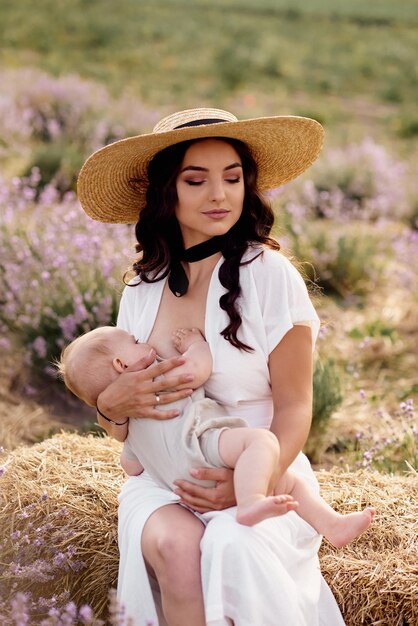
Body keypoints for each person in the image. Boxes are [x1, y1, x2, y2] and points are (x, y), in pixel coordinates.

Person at [77, 107, 352, 626]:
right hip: (166, 474)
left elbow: (295, 409)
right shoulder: (142, 287)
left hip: (260, 463)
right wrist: (108, 408)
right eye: (196, 179)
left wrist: (248, 483)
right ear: (167, 191)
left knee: (232, 541)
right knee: (176, 548)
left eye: (233, 178)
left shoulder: (270, 275)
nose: (219, 194)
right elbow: (124, 426)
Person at [58, 324, 374, 538]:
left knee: (285, 480)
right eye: (136, 343)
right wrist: (195, 343)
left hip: (182, 485)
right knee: (262, 444)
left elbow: (131, 465)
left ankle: (332, 526)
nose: (145, 344)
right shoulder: (158, 378)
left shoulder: (128, 420)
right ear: (121, 364)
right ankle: (252, 502)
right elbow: (198, 369)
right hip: (205, 446)